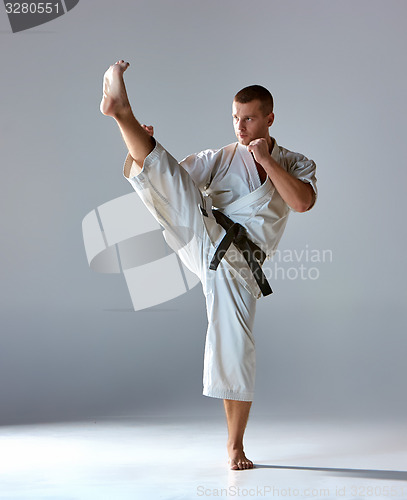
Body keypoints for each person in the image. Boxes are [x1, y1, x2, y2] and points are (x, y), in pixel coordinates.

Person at [100, 60, 317, 470]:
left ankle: (235, 446)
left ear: (269, 118)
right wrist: (146, 147)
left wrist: (267, 161)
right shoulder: (220, 157)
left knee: (236, 345)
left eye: (250, 118)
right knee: (166, 177)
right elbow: (172, 182)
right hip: (204, 237)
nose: (241, 126)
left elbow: (302, 202)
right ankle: (120, 113)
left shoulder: (294, 162)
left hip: (239, 267)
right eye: (236, 118)